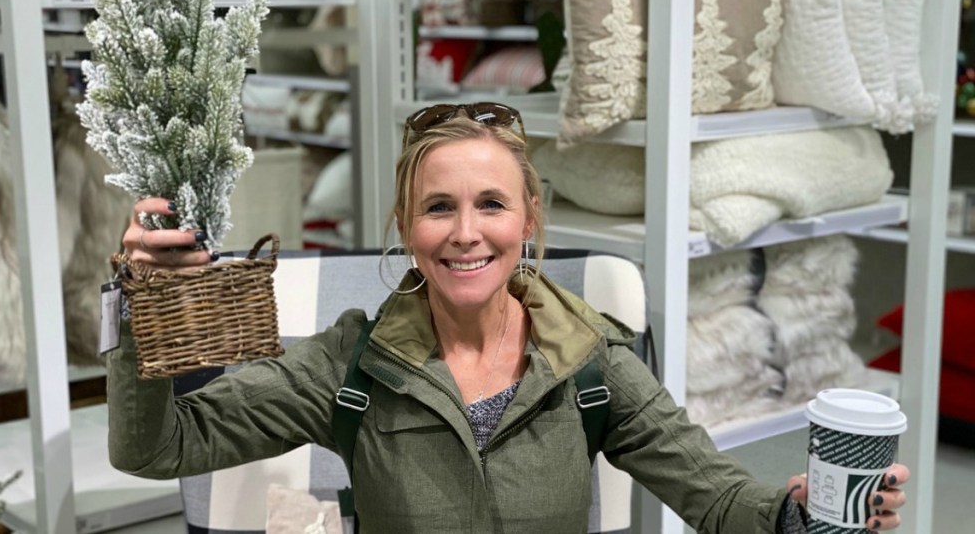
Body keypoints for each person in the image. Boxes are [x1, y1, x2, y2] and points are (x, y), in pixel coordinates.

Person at [108, 103, 909, 533]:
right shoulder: (348, 367)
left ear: (529, 219)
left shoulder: (591, 361)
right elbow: (156, 447)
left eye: (491, 203)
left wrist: (806, 513)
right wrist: (141, 311)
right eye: (438, 208)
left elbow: (722, 502)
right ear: (405, 226)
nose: (465, 233)